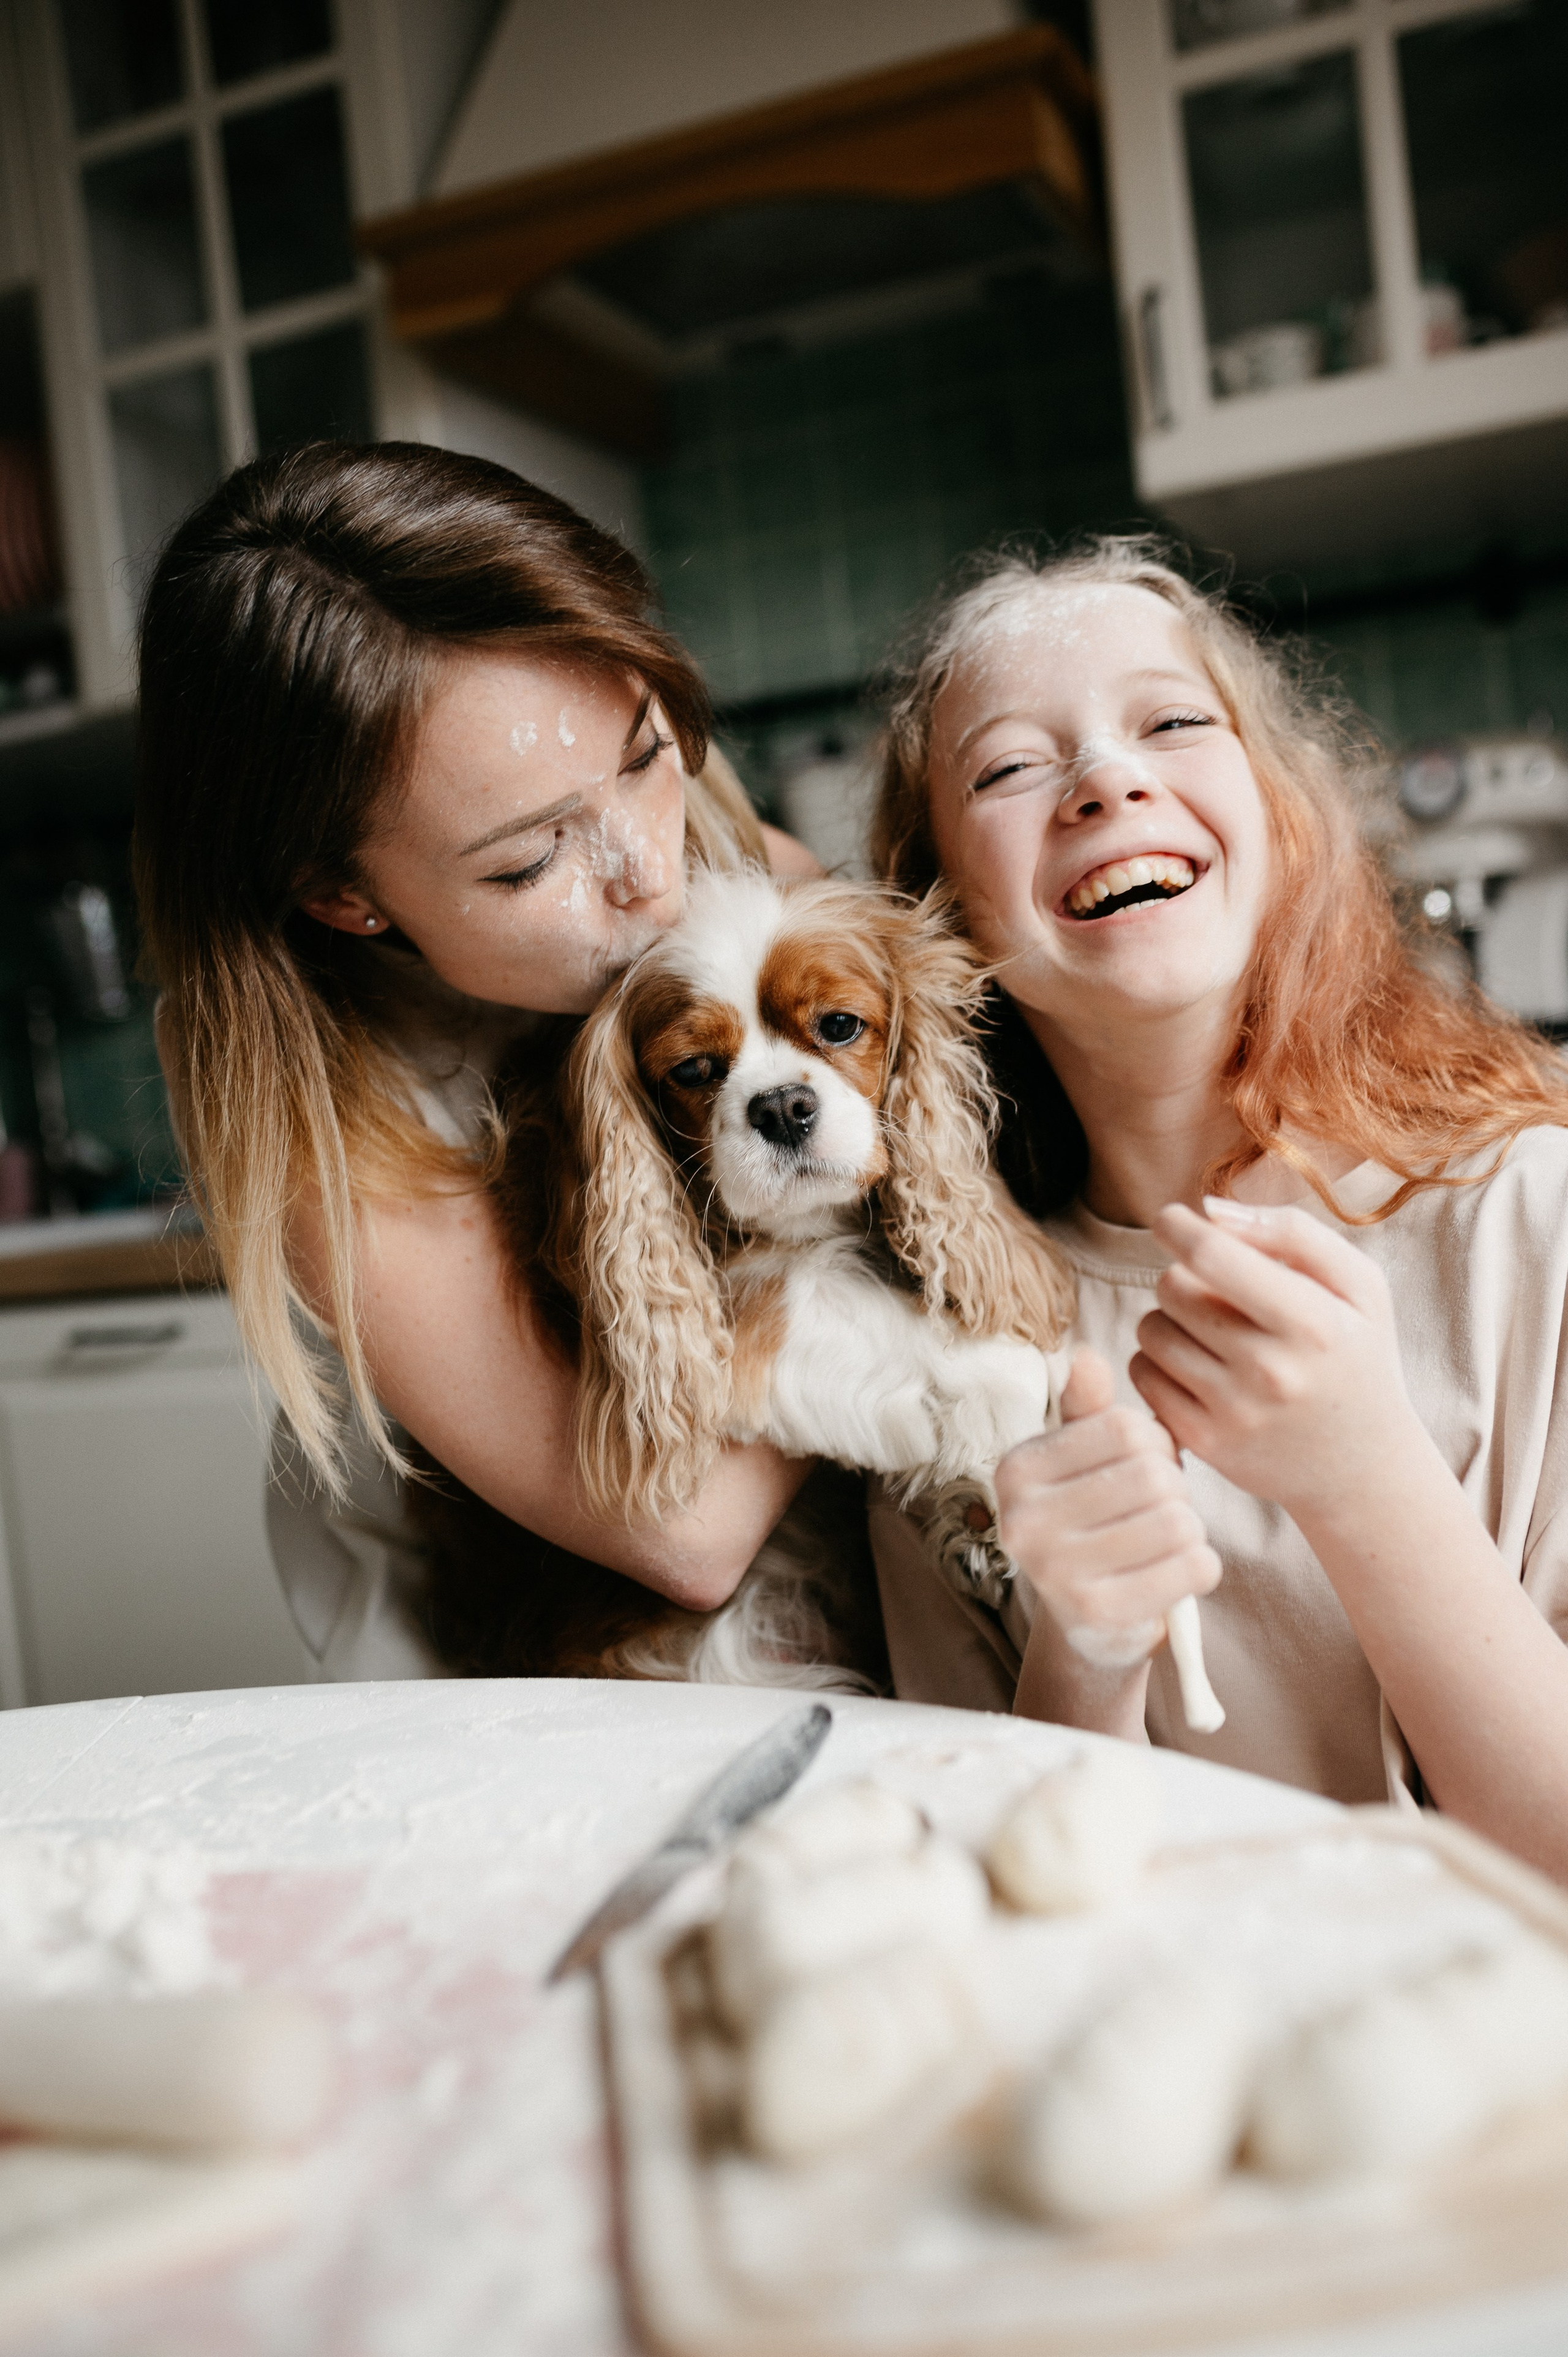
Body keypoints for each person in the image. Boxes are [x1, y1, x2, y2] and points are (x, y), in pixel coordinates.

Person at [870, 536, 1568, 1882]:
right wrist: (1082, 1656)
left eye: (1174, 724)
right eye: (1008, 768)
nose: (1105, 780)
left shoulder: (1531, 1218)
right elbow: (995, 1918)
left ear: (1282, 812)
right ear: (938, 909)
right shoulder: (936, 1361)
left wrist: (1363, 1477)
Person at [135, 440, 821, 1680]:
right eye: (528, 861)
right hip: (499, 1680)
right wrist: (887, 1300)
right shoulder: (325, 1114)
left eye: (643, 752)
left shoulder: (726, 860)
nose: (650, 876)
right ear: (344, 899)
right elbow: (689, 1530)